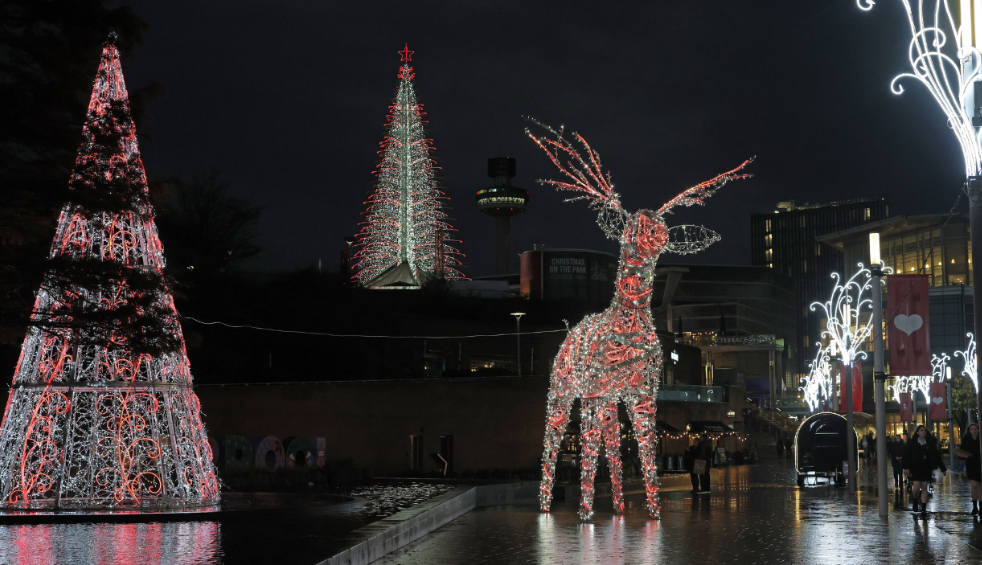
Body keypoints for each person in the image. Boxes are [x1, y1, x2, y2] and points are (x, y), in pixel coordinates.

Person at [903, 425, 947, 514]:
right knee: (916, 488)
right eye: (921, 430)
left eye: (924, 431)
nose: (923, 432)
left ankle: (923, 507)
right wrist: (906, 468)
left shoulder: (930, 443)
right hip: (915, 468)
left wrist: (943, 468)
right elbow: (906, 456)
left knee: (924, 487)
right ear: (917, 432)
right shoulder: (912, 443)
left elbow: (936, 456)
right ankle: (915, 499)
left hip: (926, 468)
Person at [956, 423, 982, 515]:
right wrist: (961, 455)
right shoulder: (966, 440)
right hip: (971, 465)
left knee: (980, 486)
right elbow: (962, 453)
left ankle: (980, 507)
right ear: (969, 430)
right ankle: (975, 506)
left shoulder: (980, 439)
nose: (974, 431)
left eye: (976, 429)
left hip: (980, 464)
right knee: (974, 485)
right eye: (972, 429)